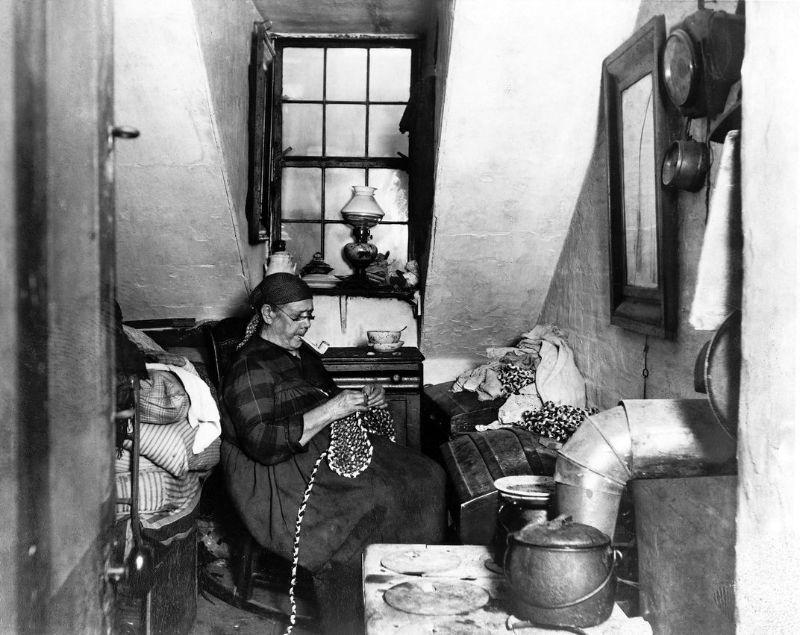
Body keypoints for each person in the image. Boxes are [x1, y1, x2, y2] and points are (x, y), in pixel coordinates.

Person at [219, 273, 446, 633]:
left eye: (310, 315)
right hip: (282, 471)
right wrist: (334, 409)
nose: (307, 324)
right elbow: (262, 443)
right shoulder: (250, 367)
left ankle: (408, 598)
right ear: (267, 313)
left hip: (323, 446)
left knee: (427, 474)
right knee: (378, 496)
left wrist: (365, 399)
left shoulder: (300, 352)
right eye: (298, 317)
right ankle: (354, 615)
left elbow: (326, 396)